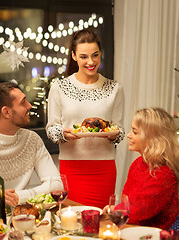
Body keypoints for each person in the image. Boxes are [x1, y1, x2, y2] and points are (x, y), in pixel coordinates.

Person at [46, 29, 124, 209]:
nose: (91, 62)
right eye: (84, 57)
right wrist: (64, 134)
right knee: (72, 221)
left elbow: (120, 129)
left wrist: (113, 135)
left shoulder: (114, 88)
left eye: (95, 55)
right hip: (72, 168)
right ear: (73, 56)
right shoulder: (59, 87)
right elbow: (51, 129)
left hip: (104, 168)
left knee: (101, 222)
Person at [0, 82, 62, 213]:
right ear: (6, 112)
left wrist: (18, 197)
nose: (29, 105)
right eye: (23, 102)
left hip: (24, 219)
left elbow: (56, 185)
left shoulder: (32, 140)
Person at [121, 108, 179, 229]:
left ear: (152, 139)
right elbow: (127, 204)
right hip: (132, 229)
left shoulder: (164, 175)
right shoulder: (137, 163)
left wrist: (115, 210)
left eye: (135, 132)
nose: (128, 135)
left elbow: (138, 213)